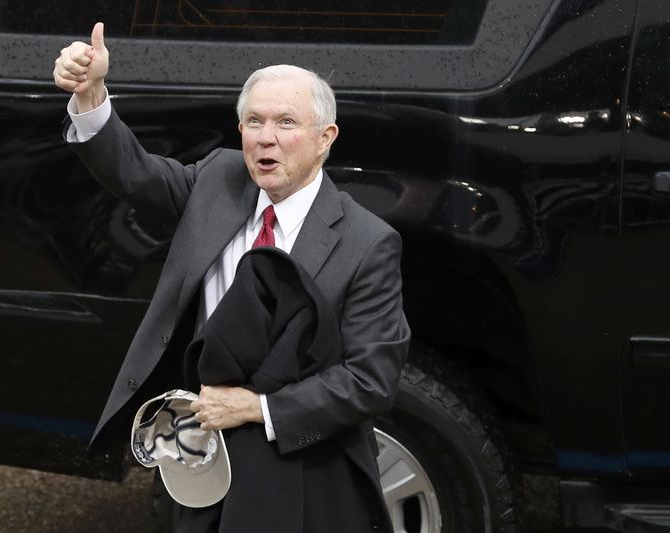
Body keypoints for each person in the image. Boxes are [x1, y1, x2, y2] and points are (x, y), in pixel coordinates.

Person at [54, 22, 410, 533]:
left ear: (324, 138)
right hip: (200, 450)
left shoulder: (366, 241)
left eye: (287, 122)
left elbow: (370, 380)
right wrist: (90, 95)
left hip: (301, 461)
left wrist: (258, 408)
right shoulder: (217, 180)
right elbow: (136, 174)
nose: (266, 138)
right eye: (253, 121)